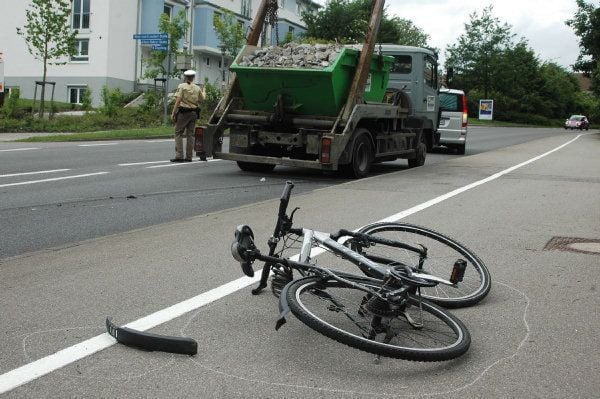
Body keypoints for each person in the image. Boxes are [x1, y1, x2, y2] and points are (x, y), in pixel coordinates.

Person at [170, 69, 205, 162]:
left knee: (178, 132)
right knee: (190, 135)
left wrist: (173, 113)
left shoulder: (181, 86)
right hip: (194, 113)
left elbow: (178, 100)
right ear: (193, 77)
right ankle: (189, 157)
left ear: (185, 77)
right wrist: (204, 92)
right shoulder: (197, 88)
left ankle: (179, 156)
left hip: (184, 112)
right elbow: (202, 99)